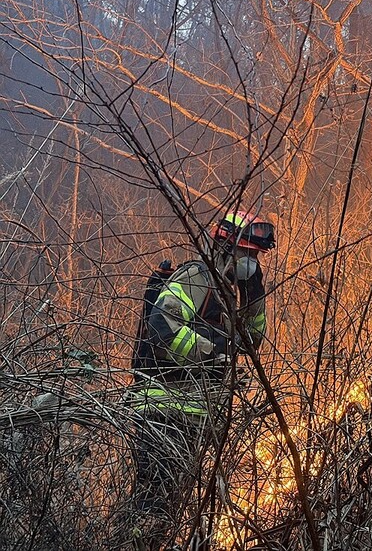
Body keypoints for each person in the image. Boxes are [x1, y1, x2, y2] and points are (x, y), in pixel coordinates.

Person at [129, 210, 275, 550]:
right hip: (164, 409)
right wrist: (210, 351)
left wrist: (254, 293)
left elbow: (250, 342)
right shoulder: (198, 276)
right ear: (226, 246)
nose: (251, 261)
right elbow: (161, 328)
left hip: (194, 412)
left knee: (170, 509)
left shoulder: (227, 289)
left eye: (255, 256)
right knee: (153, 507)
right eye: (247, 254)